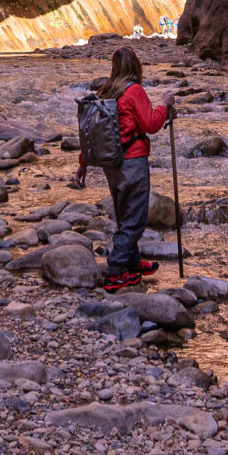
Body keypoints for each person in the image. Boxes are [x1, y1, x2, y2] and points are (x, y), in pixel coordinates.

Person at [71, 45, 173, 288]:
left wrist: (83, 163)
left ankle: (132, 261)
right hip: (133, 163)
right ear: (135, 66)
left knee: (125, 214)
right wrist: (164, 104)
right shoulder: (134, 90)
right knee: (135, 220)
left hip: (112, 164)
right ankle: (115, 271)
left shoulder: (107, 91)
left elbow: (92, 133)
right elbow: (151, 124)